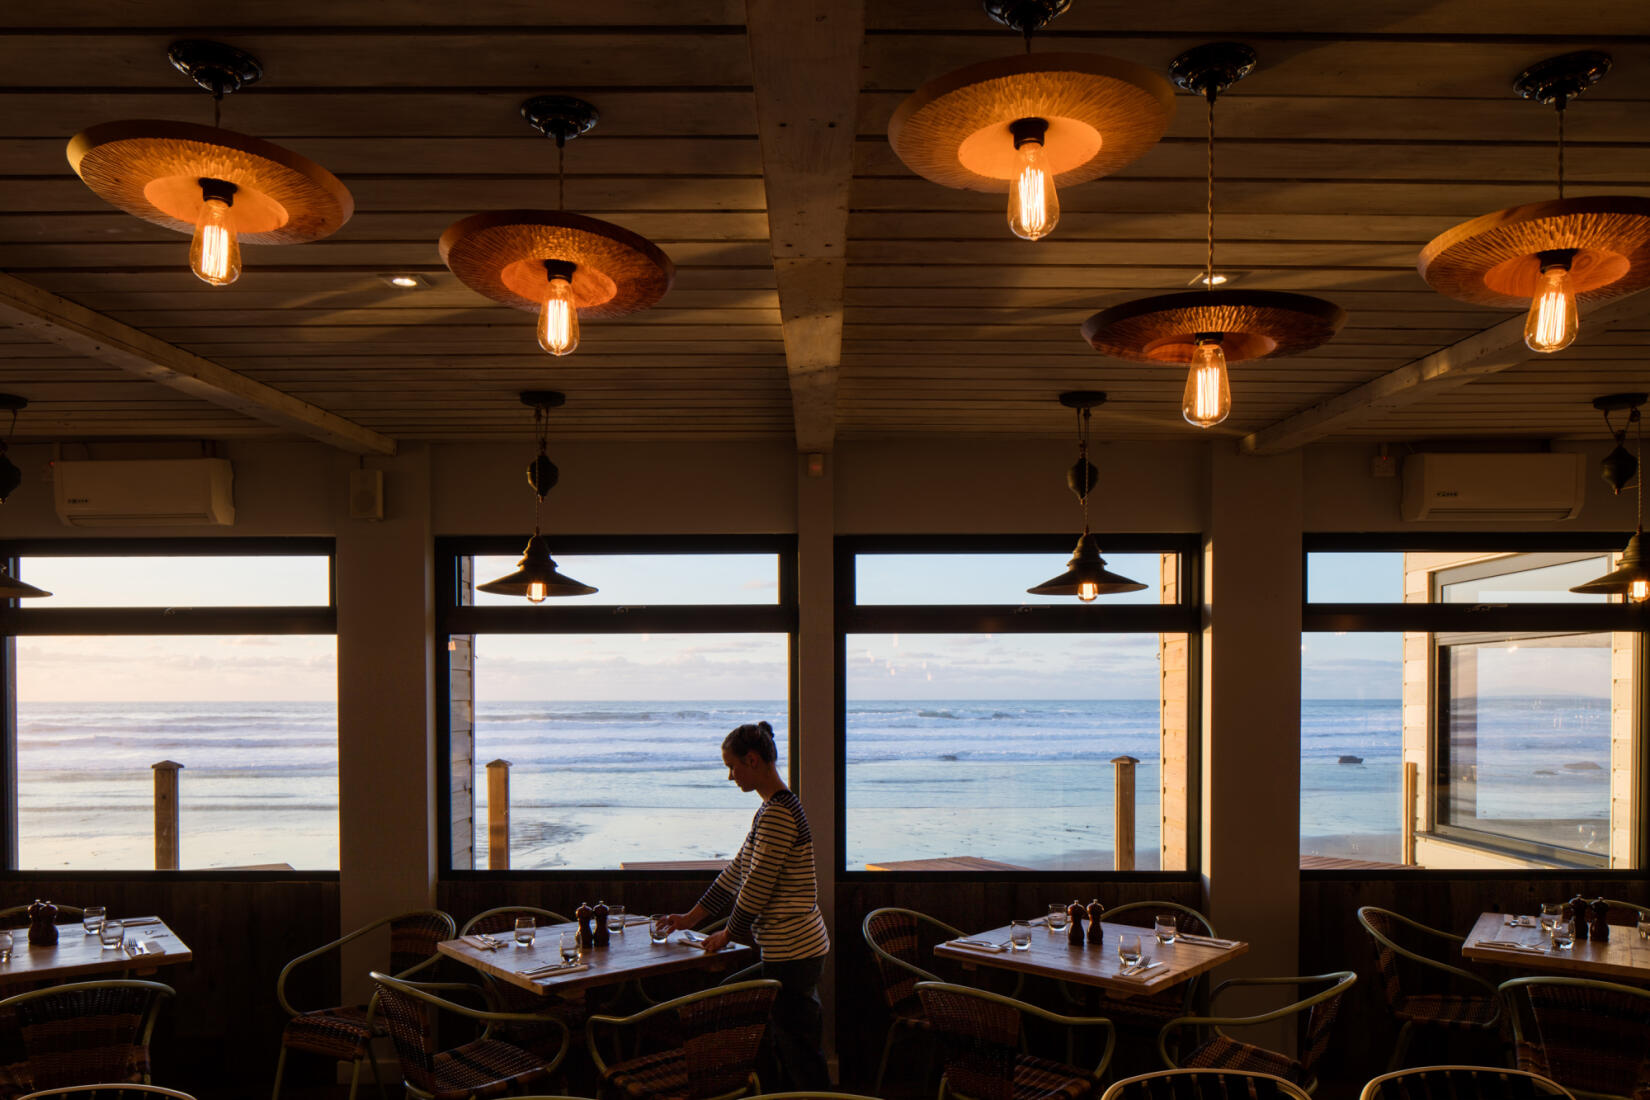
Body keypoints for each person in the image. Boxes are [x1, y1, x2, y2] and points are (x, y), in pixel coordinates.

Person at [657, 720, 831, 1091]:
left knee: (798, 1050)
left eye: (732, 767)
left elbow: (756, 888)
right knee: (781, 1040)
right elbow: (736, 873)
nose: (731, 777)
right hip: (789, 949)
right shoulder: (770, 811)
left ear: (752, 760)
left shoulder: (780, 814)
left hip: (794, 952)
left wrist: (727, 934)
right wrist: (690, 918)